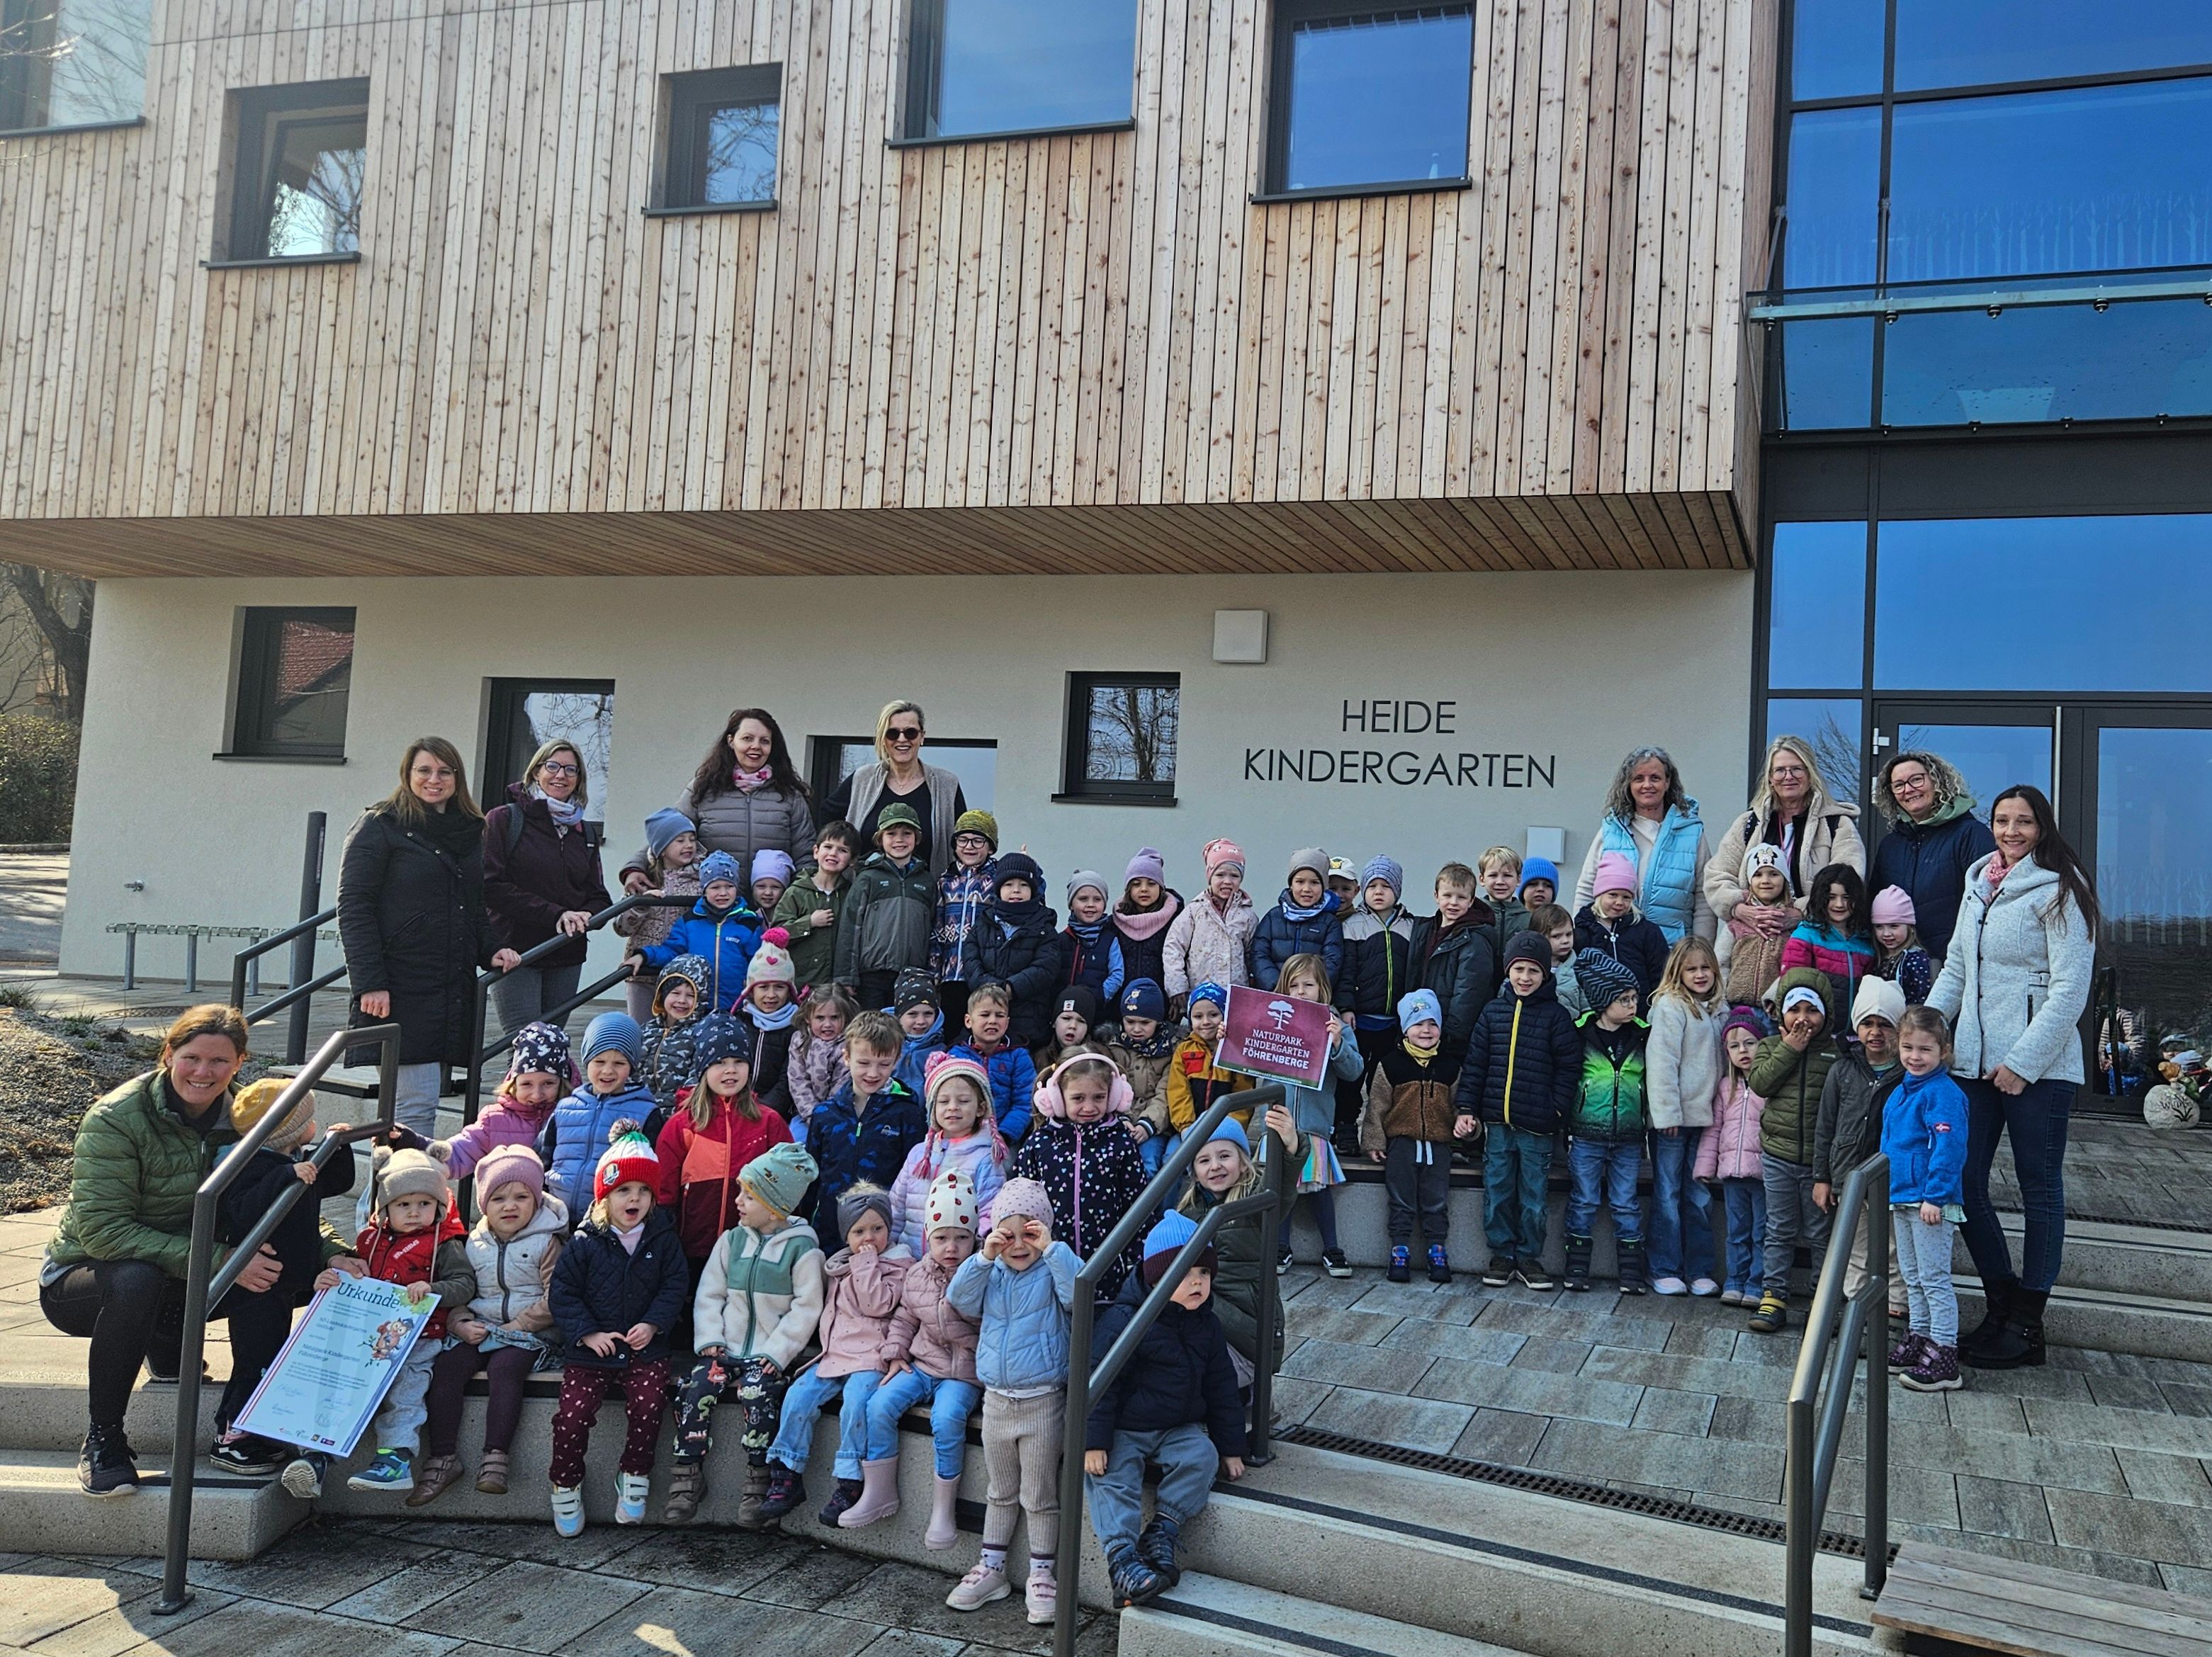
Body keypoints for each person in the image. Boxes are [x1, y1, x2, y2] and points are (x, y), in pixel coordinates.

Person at [40, 1007, 342, 1495]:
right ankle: (104, 1439)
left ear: (239, 1062)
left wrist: (332, 1252)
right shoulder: (117, 1118)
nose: (203, 1072)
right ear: (168, 1055)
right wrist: (224, 1259)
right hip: (87, 1277)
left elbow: (284, 1199)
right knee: (140, 1277)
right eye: (191, 1057)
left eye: (219, 1061)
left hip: (186, 1269)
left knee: (272, 1260)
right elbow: (102, 1230)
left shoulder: (248, 1116)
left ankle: (242, 1424)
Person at [1927, 784, 2097, 1371]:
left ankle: (2028, 1324)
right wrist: (1924, 1029)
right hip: (1973, 1065)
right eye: (2002, 820)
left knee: (2038, 1187)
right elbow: (1955, 970)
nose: (2012, 831)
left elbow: (2070, 989)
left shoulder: (2061, 889)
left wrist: (2024, 1063)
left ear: (2042, 827)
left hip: (2040, 1071)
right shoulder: (1979, 883)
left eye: (2024, 821)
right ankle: (1999, 1305)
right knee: (1964, 1181)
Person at [338, 738, 519, 1138]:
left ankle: (401, 1198)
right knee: (412, 1113)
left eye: (444, 772)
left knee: (417, 1112)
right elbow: (354, 908)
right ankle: (386, 1200)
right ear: (408, 775)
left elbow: (473, 907)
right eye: (424, 771)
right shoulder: (380, 826)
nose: (433, 780)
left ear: (458, 778)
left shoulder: (471, 832)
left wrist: (492, 949)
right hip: (401, 987)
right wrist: (370, 983)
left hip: (450, 989)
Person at [1083, 1209, 1247, 1609]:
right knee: (1111, 1476)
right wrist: (1093, 1441)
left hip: (1177, 1427)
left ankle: (1163, 1530)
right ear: (1155, 1279)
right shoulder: (1125, 1320)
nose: (1197, 1282)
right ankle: (1121, 1558)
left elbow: (1222, 1388)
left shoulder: (1206, 1324)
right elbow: (1099, 1382)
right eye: (1184, 1273)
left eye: (1204, 1274)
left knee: (1201, 1456)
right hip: (1126, 1426)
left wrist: (1230, 1447)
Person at [292, 1146, 471, 1497]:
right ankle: (316, 1458)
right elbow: (358, 1281)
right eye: (404, 1204)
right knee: (339, 1385)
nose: (415, 1212)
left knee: (405, 1393)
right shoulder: (369, 1241)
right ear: (385, 1207)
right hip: (369, 1335)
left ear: (439, 1206)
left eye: (425, 1203)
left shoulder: (444, 1244)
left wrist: (433, 1288)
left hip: (420, 1337)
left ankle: (395, 1461)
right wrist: (330, 1281)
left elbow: (464, 1285)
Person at [665, 1141, 823, 1527]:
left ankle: (758, 1478)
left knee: (760, 1393)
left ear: (775, 1205)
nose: (738, 1201)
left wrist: (777, 1354)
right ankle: (687, 1475)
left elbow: (806, 1309)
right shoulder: (732, 1241)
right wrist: (710, 1339)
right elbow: (710, 1293)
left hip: (766, 1356)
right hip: (727, 1349)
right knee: (695, 1386)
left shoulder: (803, 1250)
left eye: (748, 1196)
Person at [943, 1179, 1078, 1622]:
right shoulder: (991, 1271)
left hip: (1043, 1402)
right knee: (1000, 1491)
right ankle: (993, 1567)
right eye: (1008, 1235)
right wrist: (983, 1256)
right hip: (997, 1402)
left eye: (1030, 1234)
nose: (1019, 1245)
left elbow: (1080, 1294)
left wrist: (1054, 1249)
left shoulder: (1054, 1268)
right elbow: (958, 1298)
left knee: (1039, 1494)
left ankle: (1043, 1575)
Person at [205, 1080, 354, 1474]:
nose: (314, 1125)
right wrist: (286, 1176)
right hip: (256, 1286)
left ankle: (259, 1429)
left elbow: (337, 1182)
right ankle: (231, 1436)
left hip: (286, 1281)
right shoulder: (245, 1165)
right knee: (253, 1359)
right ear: (288, 1131)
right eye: (309, 1120)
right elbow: (242, 1209)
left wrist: (338, 1145)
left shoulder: (297, 1158)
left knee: (272, 1357)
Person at [545, 1133, 689, 1536]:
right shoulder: (584, 1241)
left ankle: (634, 1475)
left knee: (648, 1409)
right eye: (624, 1189)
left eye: (644, 1191)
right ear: (605, 1195)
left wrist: (655, 1323)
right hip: (591, 1353)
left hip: (645, 1350)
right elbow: (564, 1293)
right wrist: (587, 1333)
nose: (635, 1199)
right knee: (571, 1418)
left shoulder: (662, 1239)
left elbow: (674, 1286)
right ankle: (565, 1482)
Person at [408, 1144, 567, 1505]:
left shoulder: (548, 1241)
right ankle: (443, 1457)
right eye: (498, 1199)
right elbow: (462, 1292)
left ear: (537, 1201)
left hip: (531, 1333)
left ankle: (496, 1458)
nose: (510, 1206)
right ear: (484, 1205)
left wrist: (521, 1325)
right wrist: (460, 1323)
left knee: (505, 1368)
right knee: (447, 1368)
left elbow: (556, 1296)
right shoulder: (473, 1243)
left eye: (521, 1197)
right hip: (482, 1327)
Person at [760, 1184, 913, 1527]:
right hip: (836, 1354)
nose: (869, 1238)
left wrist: (867, 1263)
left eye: (878, 1228)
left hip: (872, 1357)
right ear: (846, 1235)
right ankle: (787, 1472)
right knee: (798, 1396)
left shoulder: (897, 1265)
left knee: (857, 1402)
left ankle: (850, 1479)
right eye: (859, 1231)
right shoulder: (841, 1265)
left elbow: (878, 1304)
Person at [860, 1168, 984, 1544]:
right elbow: (905, 1316)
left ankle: (943, 1510)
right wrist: (895, 1352)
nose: (951, 1248)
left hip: (962, 1373)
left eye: (961, 1239)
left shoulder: (982, 1274)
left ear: (974, 1238)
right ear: (927, 1238)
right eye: (942, 1238)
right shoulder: (917, 1274)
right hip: (922, 1363)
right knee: (879, 1404)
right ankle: (879, 1491)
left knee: (947, 1420)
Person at [1459, 934, 1581, 1291]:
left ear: (1545, 974)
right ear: (1508, 970)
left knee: (1533, 1196)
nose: (1525, 977)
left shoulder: (1556, 1016)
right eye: (1518, 969)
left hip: (1538, 1127)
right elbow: (1476, 1064)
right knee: (1497, 1190)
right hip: (1497, 1124)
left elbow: (1568, 1068)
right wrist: (1467, 1107)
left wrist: (1557, 1110)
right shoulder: (1492, 1012)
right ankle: (1502, 1254)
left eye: (1533, 970)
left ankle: (1529, 1256)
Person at [483, 737, 613, 1037]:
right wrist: (556, 915)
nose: (561, 775)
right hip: (516, 952)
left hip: (565, 955)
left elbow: (598, 896)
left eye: (571, 769)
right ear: (535, 772)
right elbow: (491, 887)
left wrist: (585, 916)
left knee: (551, 1047)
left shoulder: (585, 831)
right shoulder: (504, 819)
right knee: (524, 1046)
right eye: (552, 766)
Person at [653, 1013, 795, 1284]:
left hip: (754, 1248)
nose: (731, 1070)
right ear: (703, 1069)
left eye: (739, 1062)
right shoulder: (681, 1125)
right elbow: (664, 1194)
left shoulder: (769, 1123)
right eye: (720, 1063)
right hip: (693, 1250)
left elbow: (788, 1184)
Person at [623, 708, 816, 890]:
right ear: (731, 741)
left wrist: (799, 900)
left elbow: (805, 855)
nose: (756, 746)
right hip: (714, 909)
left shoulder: (790, 796)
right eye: (747, 738)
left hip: (771, 910)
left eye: (764, 741)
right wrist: (636, 868)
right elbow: (668, 835)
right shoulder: (703, 788)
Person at [1011, 1053, 1149, 1303]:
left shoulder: (1121, 1143)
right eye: (1078, 1098)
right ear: (1057, 1099)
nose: (1089, 1107)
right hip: (1048, 1267)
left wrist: (1137, 1259)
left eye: (1099, 1098)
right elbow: (1018, 1202)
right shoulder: (1039, 1143)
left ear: (1114, 1096)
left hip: (1107, 1267)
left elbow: (1138, 1204)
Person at [1884, 1007, 1973, 1393]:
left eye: (1925, 1049)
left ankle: (1945, 1351)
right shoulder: (1903, 1088)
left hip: (1930, 1201)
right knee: (1912, 1276)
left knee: (1934, 1278)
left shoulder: (1944, 1094)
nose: (1915, 1057)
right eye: (1908, 1047)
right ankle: (1919, 1337)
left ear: (1944, 1051)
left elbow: (1948, 1147)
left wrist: (1935, 1195)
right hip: (1902, 1196)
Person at [1746, 968, 1838, 1333]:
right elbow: (1761, 1084)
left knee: (1821, 1234)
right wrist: (1790, 1049)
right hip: (1779, 1156)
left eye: (1812, 1010)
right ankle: (1774, 1295)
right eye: (1794, 1009)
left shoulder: (1835, 1054)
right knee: (1779, 1229)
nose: (1803, 1019)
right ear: (1780, 1012)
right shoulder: (1770, 1046)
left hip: (1820, 1164)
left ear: (1826, 1014)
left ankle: (1822, 1299)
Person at [1177, 1109, 1299, 1381]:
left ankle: (1252, 1397)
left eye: (1224, 1156)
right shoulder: (1189, 1211)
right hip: (1206, 1318)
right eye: (1204, 1160)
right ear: (1194, 1172)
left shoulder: (1256, 1200)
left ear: (1243, 1162)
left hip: (1246, 1328)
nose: (1215, 1166)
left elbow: (1281, 1186)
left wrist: (1290, 1149)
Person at [1812, 977, 1907, 1323]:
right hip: (1849, 1178)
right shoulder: (1843, 1070)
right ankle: (1856, 1316)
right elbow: (1825, 1127)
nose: (1876, 1032)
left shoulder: (1906, 1074)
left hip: (1894, 1181)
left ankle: (1894, 1316)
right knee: (1854, 1247)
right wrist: (1822, 1177)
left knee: (1894, 1251)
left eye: (1885, 1024)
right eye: (1868, 1023)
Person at [1359, 989, 1469, 1284]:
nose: (1426, 1030)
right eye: (1419, 1023)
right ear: (1406, 1028)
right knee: (1401, 1198)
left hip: (1439, 1146)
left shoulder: (1449, 1067)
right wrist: (1374, 1140)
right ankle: (1400, 1249)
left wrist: (1466, 1125)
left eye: (1433, 1024)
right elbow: (1377, 1105)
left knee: (1436, 1200)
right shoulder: (1391, 1064)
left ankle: (1437, 1250)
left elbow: (1461, 1105)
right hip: (1402, 1144)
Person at [1705, 734, 1866, 932]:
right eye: (1780, 770)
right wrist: (1739, 909)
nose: (1788, 777)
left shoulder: (1837, 825)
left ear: (1810, 774)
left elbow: (1849, 880)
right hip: (1752, 936)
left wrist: (1802, 913)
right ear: (1771, 779)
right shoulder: (1749, 824)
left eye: (1797, 769)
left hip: (1817, 936)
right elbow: (1717, 876)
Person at [1562, 953, 1651, 1296]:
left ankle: (1631, 1272)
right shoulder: (1580, 1035)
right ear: (1603, 1002)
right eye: (1624, 999)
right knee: (1583, 1200)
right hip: (1586, 1134)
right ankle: (1577, 1267)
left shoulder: (1643, 1035)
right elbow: (1570, 1080)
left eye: (1634, 998)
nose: (1632, 1006)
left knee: (1625, 1203)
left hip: (1629, 1136)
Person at [1271, 955, 1365, 1279]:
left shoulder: (1333, 1023)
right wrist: (1232, 1036)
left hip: (1313, 1124)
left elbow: (1354, 1072)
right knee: (1281, 1186)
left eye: (1308, 985)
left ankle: (1332, 1247)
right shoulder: (1270, 1020)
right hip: (1278, 1123)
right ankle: (1279, 1246)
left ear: (1322, 988)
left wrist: (1337, 1042)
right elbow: (1248, 1059)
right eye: (1293, 985)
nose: (1300, 991)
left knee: (1318, 1188)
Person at [1644, 937, 1723, 1297]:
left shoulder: (1719, 1009)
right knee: (1668, 1194)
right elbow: (1662, 1064)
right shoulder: (1670, 1007)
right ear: (1678, 972)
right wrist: (1667, 1113)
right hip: (1674, 1122)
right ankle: (1664, 1267)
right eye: (1691, 969)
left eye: (1705, 967)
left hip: (1706, 1119)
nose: (1700, 974)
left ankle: (1700, 1269)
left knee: (1699, 1196)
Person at [1574, 746, 1716, 944]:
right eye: (1639, 778)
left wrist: (1700, 951)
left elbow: (1704, 897)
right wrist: (1581, 941)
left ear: (1668, 783)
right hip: (1616, 953)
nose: (1647, 785)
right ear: (1628, 785)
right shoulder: (1611, 830)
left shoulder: (1692, 832)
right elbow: (1587, 888)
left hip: (1673, 956)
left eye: (1655, 778)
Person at [1868, 750, 1994, 963]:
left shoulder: (1971, 834)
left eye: (1917, 779)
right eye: (1898, 785)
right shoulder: (1890, 846)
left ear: (1937, 781)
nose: (1908, 790)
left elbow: (1989, 903)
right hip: (1899, 970)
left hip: (1954, 967)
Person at [803, 1010, 927, 1224]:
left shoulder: (908, 1113)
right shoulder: (825, 1115)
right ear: (847, 1057)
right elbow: (810, 1179)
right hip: (828, 1231)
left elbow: (915, 1184)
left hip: (882, 1234)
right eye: (864, 1063)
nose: (873, 1073)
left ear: (897, 1060)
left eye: (884, 1064)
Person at [823, 700, 969, 874]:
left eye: (910, 733)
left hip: (929, 896)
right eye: (892, 733)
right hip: (864, 895)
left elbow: (964, 839)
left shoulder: (947, 785)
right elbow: (827, 815)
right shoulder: (862, 779)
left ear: (922, 736)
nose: (902, 739)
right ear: (883, 739)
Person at [889, 1052, 1011, 1254]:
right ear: (932, 1108)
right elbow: (896, 1210)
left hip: (958, 1264)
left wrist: (971, 1254)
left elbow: (989, 1215)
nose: (953, 1107)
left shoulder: (986, 1158)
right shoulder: (918, 1155)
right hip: (911, 1264)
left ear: (981, 1108)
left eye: (963, 1101)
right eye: (944, 1102)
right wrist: (888, 1249)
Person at [538, 1012, 657, 1214]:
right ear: (587, 1061)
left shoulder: (645, 1112)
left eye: (619, 1063)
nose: (608, 1071)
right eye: (599, 1062)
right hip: (554, 1213)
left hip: (607, 1219)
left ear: (631, 1067)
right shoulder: (566, 1107)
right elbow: (542, 1157)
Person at [1336, 856, 1418, 1150]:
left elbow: (1415, 973)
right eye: (1373, 886)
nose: (1379, 892)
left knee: (1382, 1082)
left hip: (1394, 1022)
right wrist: (1346, 1007)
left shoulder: (1411, 927)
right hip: (1360, 1019)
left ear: (1397, 890)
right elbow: (1346, 972)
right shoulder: (1353, 924)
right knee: (1352, 1078)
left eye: (1386, 886)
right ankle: (1345, 1128)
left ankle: (1379, 1135)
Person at [1695, 1007, 1770, 1306]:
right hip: (1731, 1174)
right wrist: (1705, 1166)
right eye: (1735, 1046)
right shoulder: (1726, 1087)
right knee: (1736, 1232)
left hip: (1763, 1174)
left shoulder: (1769, 1086)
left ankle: (1756, 1285)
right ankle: (1735, 1281)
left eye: (1750, 1043)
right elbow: (1714, 1130)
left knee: (1762, 1233)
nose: (1743, 1051)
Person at [431, 1023, 573, 1179]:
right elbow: (461, 1151)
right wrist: (421, 1151)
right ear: (514, 1084)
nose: (536, 1095)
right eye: (527, 1084)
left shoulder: (574, 1117)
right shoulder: (495, 1120)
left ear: (562, 1083)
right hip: (508, 1201)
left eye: (548, 1083)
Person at [838, 804, 937, 1010]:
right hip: (872, 975)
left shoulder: (927, 882)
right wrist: (846, 976)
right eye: (891, 834)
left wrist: (931, 972)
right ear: (880, 840)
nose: (899, 839)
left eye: (906, 833)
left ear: (916, 838)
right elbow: (850, 927)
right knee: (873, 1034)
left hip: (913, 976)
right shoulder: (868, 878)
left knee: (906, 1035)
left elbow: (933, 930)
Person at [640, 850, 762, 1015]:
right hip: (697, 1008)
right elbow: (673, 951)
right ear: (704, 889)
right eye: (715, 887)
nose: (723, 893)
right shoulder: (690, 921)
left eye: (729, 886)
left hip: (738, 1008)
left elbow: (758, 964)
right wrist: (644, 955)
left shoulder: (748, 923)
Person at [960, 852, 1061, 1050]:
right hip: (987, 1019)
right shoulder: (983, 924)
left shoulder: (1044, 927)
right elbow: (972, 963)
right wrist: (993, 990)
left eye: (1024, 885)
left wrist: (1011, 989)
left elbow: (1046, 967)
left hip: (1029, 1022)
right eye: (1009, 885)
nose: (1016, 891)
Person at [614, 809, 701, 1022]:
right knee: (641, 1030)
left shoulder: (700, 882)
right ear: (662, 849)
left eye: (692, 839)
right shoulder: (643, 881)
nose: (689, 845)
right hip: (641, 971)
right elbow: (621, 928)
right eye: (680, 840)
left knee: (677, 1031)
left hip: (681, 975)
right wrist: (641, 904)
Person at [1412, 861, 1500, 1065]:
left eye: (1461, 897)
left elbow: (1469, 992)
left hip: (1451, 1036)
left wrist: (1452, 1034)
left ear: (1471, 901)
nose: (1453, 903)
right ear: (1436, 896)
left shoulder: (1475, 938)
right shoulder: (1426, 930)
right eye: (1447, 896)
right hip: (1424, 1025)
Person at [768, 820, 859, 993]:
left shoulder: (851, 894)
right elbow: (775, 935)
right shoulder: (796, 892)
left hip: (836, 988)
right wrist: (809, 922)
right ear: (816, 852)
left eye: (842, 850)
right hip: (800, 985)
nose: (833, 854)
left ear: (852, 860)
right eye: (828, 847)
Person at [1781, 864, 1875, 1028]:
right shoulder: (1805, 936)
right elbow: (1792, 988)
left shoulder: (1865, 940)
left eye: (1846, 898)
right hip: (1816, 1035)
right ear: (1820, 898)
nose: (1839, 904)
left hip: (1856, 1036)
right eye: (1831, 897)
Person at [1163, 839, 1256, 1001]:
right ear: (1210, 876)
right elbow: (1173, 947)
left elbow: (1253, 955)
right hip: (1200, 996)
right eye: (1220, 875)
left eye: (1234, 876)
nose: (1227, 881)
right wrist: (1178, 987)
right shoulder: (1194, 911)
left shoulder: (1247, 916)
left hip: (1234, 998)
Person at [931, 810, 1000, 1027]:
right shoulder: (946, 880)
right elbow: (937, 928)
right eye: (963, 840)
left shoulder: (999, 879)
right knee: (952, 1030)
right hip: (951, 975)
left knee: (982, 1030)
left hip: (984, 974)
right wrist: (934, 969)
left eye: (978, 840)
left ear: (990, 847)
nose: (969, 846)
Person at [1574, 853, 1670, 1007]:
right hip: (1598, 1017)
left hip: (1640, 1014)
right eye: (1613, 895)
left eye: (1626, 897)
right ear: (1599, 894)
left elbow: (1661, 975)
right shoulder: (1582, 931)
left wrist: (1654, 1008)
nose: (1619, 902)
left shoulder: (1647, 932)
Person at [1166, 983, 1255, 1142]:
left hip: (1227, 1133)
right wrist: (1187, 1127)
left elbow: (1243, 1095)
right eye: (1198, 1017)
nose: (1206, 1022)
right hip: (1188, 1132)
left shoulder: (1235, 1051)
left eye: (1213, 1015)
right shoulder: (1184, 1051)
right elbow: (1178, 1092)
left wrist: (1230, 1129)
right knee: (1172, 1159)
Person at [1249, 846, 1345, 991]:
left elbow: (1333, 962)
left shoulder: (1329, 923)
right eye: (1300, 882)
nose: (1307, 889)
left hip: (1312, 1000)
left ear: (1324, 886)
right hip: (1275, 996)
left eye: (1314, 883)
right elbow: (1259, 955)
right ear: (1291, 884)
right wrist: (1279, 987)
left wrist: (1312, 990)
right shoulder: (1273, 917)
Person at [1108, 980, 1179, 1173]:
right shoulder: (1114, 1049)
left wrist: (1147, 1124)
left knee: (1149, 1165)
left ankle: (1159, 1205)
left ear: (1158, 1021)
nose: (1136, 1029)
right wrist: (1121, 1119)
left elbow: (1165, 1094)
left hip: (1155, 1126)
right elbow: (1110, 1090)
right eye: (1130, 1022)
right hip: (1120, 1122)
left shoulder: (1170, 1051)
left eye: (1145, 1023)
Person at [954, 983, 1039, 1144]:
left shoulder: (1019, 1056)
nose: (992, 1021)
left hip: (1003, 1138)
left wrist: (1005, 1135)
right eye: (985, 1015)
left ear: (1007, 1023)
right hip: (961, 1135)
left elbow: (1025, 1101)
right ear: (968, 1021)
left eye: (999, 1016)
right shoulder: (956, 1056)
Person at [1719, 844, 1795, 1006]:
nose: (1765, 881)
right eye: (1758, 875)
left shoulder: (1792, 922)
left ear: (1785, 878)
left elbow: (1794, 967)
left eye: (1774, 874)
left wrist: (1776, 999)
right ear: (1749, 880)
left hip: (1775, 1009)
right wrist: (1722, 1000)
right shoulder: (1737, 922)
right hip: (1736, 1006)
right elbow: (1721, 962)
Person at [638, 956, 709, 1125]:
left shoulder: (700, 1034)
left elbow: (696, 1079)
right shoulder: (646, 1030)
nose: (682, 1001)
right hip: (642, 1116)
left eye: (691, 995)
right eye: (675, 993)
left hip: (679, 1119)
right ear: (662, 995)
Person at [740, 929, 802, 1105]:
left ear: (790, 990)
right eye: (764, 987)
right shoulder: (740, 1022)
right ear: (751, 990)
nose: (771, 995)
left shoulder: (795, 1029)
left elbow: (787, 1080)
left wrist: (764, 1111)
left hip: (773, 1111)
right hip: (738, 1105)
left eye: (779, 987)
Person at [1112, 849, 1183, 995]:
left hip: (1162, 1004)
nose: (1144, 889)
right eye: (1137, 884)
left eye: (1151, 884)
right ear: (1128, 889)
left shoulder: (1177, 922)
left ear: (1161, 888)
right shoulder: (1113, 923)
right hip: (1120, 1007)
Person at [785, 989, 855, 1129]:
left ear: (845, 1017)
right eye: (820, 1018)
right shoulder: (800, 1041)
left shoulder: (849, 1045)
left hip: (840, 1115)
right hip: (805, 1115)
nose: (827, 1024)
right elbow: (798, 1081)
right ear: (808, 1018)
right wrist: (812, 1116)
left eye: (834, 1018)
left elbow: (841, 1086)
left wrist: (825, 1117)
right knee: (795, 1141)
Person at [1058, 871, 1127, 1006]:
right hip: (1064, 1013)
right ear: (1071, 904)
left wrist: (1100, 996)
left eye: (1097, 899)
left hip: (1098, 1011)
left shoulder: (1110, 940)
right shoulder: (1061, 940)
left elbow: (1117, 974)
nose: (1090, 904)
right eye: (1083, 899)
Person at [891, 969, 951, 1098]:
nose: (921, 1021)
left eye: (928, 1014)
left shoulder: (941, 1052)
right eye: (912, 1014)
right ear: (899, 1016)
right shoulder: (886, 1045)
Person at [1870, 886, 1934, 1005]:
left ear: (1910, 926)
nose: (1886, 934)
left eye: (1894, 926)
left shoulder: (1916, 960)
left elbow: (1922, 1001)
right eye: (1879, 926)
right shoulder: (1877, 958)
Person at [1531, 902, 1585, 1017]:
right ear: (1539, 937)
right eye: (1557, 936)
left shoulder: (1580, 969)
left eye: (1569, 934)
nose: (1565, 941)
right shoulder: (1525, 969)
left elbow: (1587, 1010)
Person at [1036, 985, 1101, 1072]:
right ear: (1054, 1022)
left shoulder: (1099, 1058)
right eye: (1066, 1019)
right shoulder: (1041, 1058)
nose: (1073, 1026)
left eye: (1081, 1021)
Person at [1477, 847, 1528, 940]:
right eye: (1493, 875)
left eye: (1507, 875)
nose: (1500, 882)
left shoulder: (1528, 918)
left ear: (1518, 880)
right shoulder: (1474, 914)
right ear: (1482, 879)